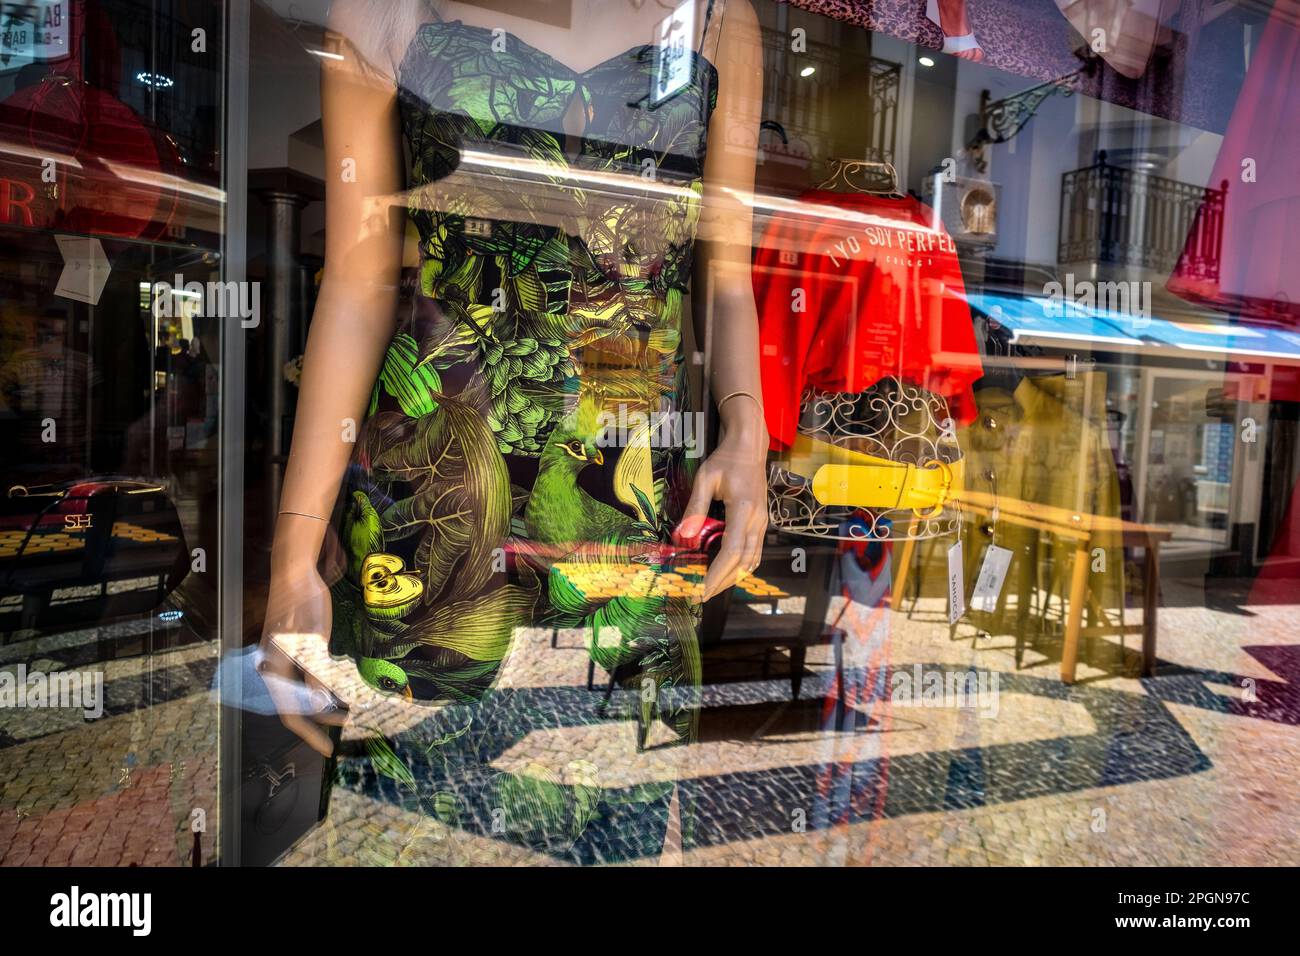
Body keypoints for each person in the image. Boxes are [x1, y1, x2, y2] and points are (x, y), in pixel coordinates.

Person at [258, 0, 767, 863]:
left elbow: (724, 276)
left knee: (616, 810)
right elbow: (357, 279)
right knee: (415, 831)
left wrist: (744, 429)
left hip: (625, 511)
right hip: (435, 508)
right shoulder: (385, 6)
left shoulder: (718, 17)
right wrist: (294, 549)